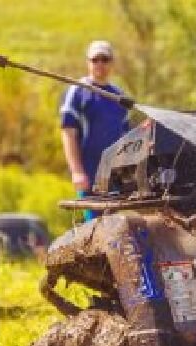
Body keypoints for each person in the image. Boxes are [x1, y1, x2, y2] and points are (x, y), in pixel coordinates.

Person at [60, 40, 129, 221]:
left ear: (111, 63)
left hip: (115, 178)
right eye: (95, 59)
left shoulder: (119, 96)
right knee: (93, 226)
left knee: (117, 226)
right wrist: (76, 171)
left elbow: (126, 138)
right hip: (89, 174)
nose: (99, 64)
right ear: (87, 62)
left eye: (104, 59)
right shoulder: (78, 91)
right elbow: (68, 133)